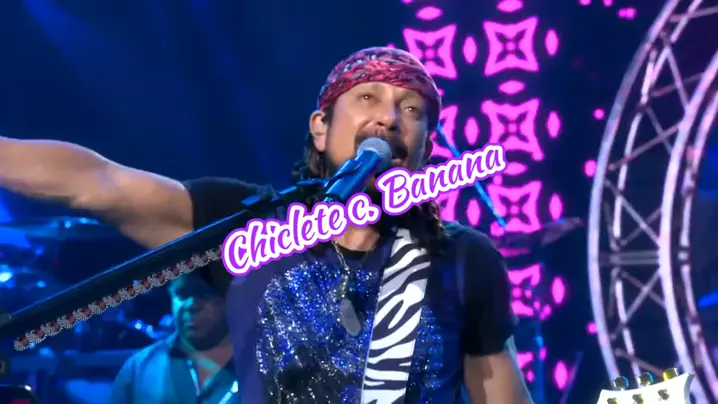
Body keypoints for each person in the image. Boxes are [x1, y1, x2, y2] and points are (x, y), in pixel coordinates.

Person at [0, 46, 532, 403]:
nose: (390, 118)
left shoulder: (462, 257)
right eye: (368, 97)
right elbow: (96, 182)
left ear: (426, 150)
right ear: (321, 128)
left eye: (412, 110)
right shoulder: (250, 227)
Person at [109, 273, 239, 403]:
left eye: (205, 294)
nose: (191, 305)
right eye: (182, 294)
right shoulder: (137, 369)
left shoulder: (250, 363)